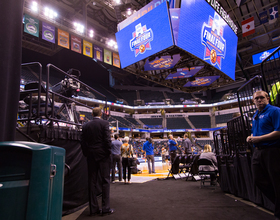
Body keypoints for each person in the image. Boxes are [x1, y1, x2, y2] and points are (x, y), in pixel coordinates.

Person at [246, 90, 280, 220]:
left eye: (262, 98)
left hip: (272, 151)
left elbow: (278, 131)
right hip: (258, 151)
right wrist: (250, 137)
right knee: (258, 180)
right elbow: (255, 132)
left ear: (268, 98)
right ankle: (278, 203)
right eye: (256, 99)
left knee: (277, 182)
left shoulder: (275, 111)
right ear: (253, 101)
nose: (259, 100)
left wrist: (260, 139)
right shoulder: (256, 115)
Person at [81, 107, 114, 216]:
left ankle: (93, 209)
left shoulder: (85, 125)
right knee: (105, 181)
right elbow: (107, 140)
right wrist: (108, 152)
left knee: (92, 181)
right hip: (103, 156)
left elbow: (82, 141)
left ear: (91, 114)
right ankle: (105, 208)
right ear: (101, 113)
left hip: (91, 155)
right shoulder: (104, 123)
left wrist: (86, 153)